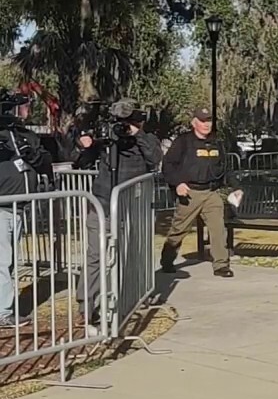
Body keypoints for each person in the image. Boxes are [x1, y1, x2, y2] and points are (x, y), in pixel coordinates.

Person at [75, 99, 161, 330]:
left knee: (128, 257)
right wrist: (86, 144)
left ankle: (125, 299)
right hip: (102, 205)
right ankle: (87, 306)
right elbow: (81, 160)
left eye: (131, 121)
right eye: (121, 122)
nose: (124, 126)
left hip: (130, 208)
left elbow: (155, 160)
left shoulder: (147, 140)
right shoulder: (106, 138)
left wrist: (137, 135)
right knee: (96, 256)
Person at [159, 107, 239, 278]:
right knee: (178, 230)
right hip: (190, 193)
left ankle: (221, 265)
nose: (206, 124)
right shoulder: (183, 142)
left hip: (211, 192)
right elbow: (168, 165)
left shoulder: (217, 142)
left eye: (209, 121)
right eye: (202, 121)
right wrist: (177, 183)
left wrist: (236, 187)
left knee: (218, 229)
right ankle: (167, 260)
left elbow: (226, 169)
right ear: (194, 122)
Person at [0, 96, 53, 327]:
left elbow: (46, 162)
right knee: (2, 262)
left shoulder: (27, 135)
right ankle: (3, 312)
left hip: (21, 207)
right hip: (2, 208)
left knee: (10, 261)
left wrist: (34, 155)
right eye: (23, 107)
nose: (26, 111)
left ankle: (5, 308)